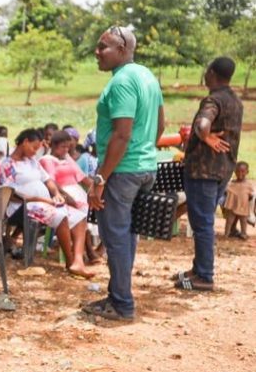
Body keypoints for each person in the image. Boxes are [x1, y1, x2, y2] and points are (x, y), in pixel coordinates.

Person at [84, 26, 165, 321]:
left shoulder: (121, 83)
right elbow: (160, 125)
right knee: (128, 235)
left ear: (121, 49)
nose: (97, 52)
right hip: (145, 167)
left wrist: (100, 178)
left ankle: (121, 304)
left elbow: (121, 135)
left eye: (102, 46)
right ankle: (117, 294)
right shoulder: (147, 76)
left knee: (115, 236)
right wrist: (145, 151)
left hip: (122, 171)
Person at [176, 57, 243, 291]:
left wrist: (205, 136)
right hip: (224, 169)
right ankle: (197, 269)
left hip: (204, 171)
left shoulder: (213, 100)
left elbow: (204, 123)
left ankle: (204, 276)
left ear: (212, 73)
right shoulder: (236, 101)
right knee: (204, 220)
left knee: (202, 223)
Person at [1, 129, 92, 278]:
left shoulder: (32, 162)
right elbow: (10, 194)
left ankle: (78, 260)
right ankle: (70, 263)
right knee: (61, 216)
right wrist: (42, 200)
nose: (35, 152)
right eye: (34, 148)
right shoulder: (8, 164)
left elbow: (47, 180)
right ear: (24, 142)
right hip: (22, 207)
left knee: (79, 217)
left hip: (45, 203)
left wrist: (56, 194)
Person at [40, 131, 96, 277]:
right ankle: (85, 254)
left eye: (68, 147)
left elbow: (81, 177)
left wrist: (97, 187)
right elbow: (52, 183)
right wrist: (67, 197)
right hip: (62, 195)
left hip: (77, 194)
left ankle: (85, 255)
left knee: (95, 211)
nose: (66, 150)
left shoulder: (66, 157)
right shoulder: (47, 160)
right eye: (63, 147)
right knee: (78, 216)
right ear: (54, 145)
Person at [223, 162, 254, 239]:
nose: (240, 173)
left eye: (243, 171)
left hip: (243, 207)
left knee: (243, 221)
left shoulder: (248, 184)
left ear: (247, 172)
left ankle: (243, 234)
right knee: (229, 221)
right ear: (234, 171)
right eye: (238, 171)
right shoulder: (231, 184)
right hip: (231, 207)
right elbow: (225, 192)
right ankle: (226, 234)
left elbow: (251, 196)